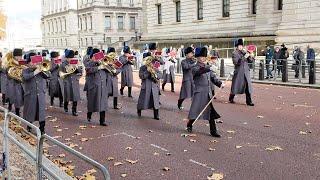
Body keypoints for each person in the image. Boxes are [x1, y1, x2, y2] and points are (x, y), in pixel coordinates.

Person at [186, 47, 224, 137]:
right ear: (198, 57)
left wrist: (220, 83)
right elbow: (199, 71)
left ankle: (213, 131)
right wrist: (209, 67)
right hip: (199, 93)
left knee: (211, 112)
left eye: (204, 56)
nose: (203, 58)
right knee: (196, 112)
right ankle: (189, 124)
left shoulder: (207, 67)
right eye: (201, 57)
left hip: (208, 93)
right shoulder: (194, 67)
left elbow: (213, 78)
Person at [22, 53, 50, 134]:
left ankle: (42, 128)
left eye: (35, 61)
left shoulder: (41, 70)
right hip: (30, 95)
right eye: (32, 62)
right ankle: (29, 126)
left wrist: (41, 70)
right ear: (28, 63)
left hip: (40, 95)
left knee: (41, 113)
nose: (34, 63)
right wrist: (35, 72)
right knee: (30, 112)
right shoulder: (25, 70)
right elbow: (25, 77)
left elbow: (48, 76)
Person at [84, 48, 108, 126]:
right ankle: (89, 113)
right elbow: (88, 70)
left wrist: (110, 66)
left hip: (102, 86)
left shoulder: (103, 62)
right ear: (93, 56)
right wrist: (98, 67)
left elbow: (111, 72)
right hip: (94, 85)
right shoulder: (89, 62)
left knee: (103, 103)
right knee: (92, 102)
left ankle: (102, 120)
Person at [229, 39, 255, 106]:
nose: (241, 47)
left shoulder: (244, 52)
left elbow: (250, 61)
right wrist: (244, 57)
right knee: (235, 86)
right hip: (239, 72)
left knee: (247, 87)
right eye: (239, 46)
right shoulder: (234, 53)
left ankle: (249, 101)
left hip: (246, 72)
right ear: (237, 47)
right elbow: (236, 63)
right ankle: (231, 97)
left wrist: (251, 56)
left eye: (241, 46)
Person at [137, 54, 163, 120]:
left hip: (154, 86)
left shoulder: (155, 65)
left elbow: (160, 74)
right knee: (143, 100)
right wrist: (148, 71)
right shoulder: (142, 67)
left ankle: (156, 115)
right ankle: (139, 109)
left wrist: (155, 74)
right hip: (146, 86)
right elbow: (141, 76)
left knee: (155, 101)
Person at [61, 50, 83, 116]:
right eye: (69, 58)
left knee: (75, 97)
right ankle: (66, 106)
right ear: (66, 58)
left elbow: (80, 72)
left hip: (74, 81)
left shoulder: (75, 62)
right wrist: (69, 67)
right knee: (67, 96)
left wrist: (76, 67)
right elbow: (61, 73)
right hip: (67, 81)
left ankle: (74, 110)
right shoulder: (63, 64)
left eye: (71, 58)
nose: (70, 59)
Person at [7, 49, 24, 116]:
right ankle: (11, 108)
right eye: (18, 56)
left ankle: (16, 111)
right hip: (13, 84)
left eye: (20, 56)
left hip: (20, 84)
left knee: (18, 99)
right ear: (15, 56)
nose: (19, 57)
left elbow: (24, 70)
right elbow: (8, 73)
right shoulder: (10, 63)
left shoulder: (21, 62)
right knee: (14, 98)